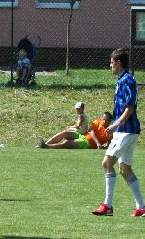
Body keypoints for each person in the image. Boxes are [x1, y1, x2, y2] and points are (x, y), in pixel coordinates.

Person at [92, 48, 143, 216]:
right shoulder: (123, 79)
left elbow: (130, 108)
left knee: (107, 163)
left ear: (118, 63)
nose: (110, 65)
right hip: (126, 131)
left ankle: (108, 206)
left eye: (112, 62)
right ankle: (141, 207)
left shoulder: (127, 80)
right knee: (124, 169)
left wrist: (115, 125)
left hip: (126, 130)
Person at [40, 111, 112, 149]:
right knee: (65, 133)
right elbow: (90, 130)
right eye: (103, 119)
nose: (104, 121)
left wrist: (102, 147)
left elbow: (109, 145)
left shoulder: (111, 132)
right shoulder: (98, 122)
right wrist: (98, 143)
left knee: (66, 143)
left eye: (106, 120)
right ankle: (45, 144)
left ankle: (46, 146)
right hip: (82, 136)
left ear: (110, 121)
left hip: (87, 144)